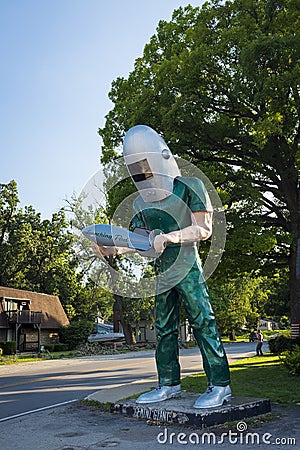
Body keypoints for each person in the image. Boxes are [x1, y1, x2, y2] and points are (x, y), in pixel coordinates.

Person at [93, 125, 230, 408]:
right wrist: (109, 248)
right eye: (136, 169)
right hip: (163, 274)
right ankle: (168, 384)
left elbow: (203, 229)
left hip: (188, 267)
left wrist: (170, 237)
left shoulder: (191, 186)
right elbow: (142, 245)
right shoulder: (141, 204)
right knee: (164, 329)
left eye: (145, 165)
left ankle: (220, 384)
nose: (143, 174)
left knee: (203, 321)